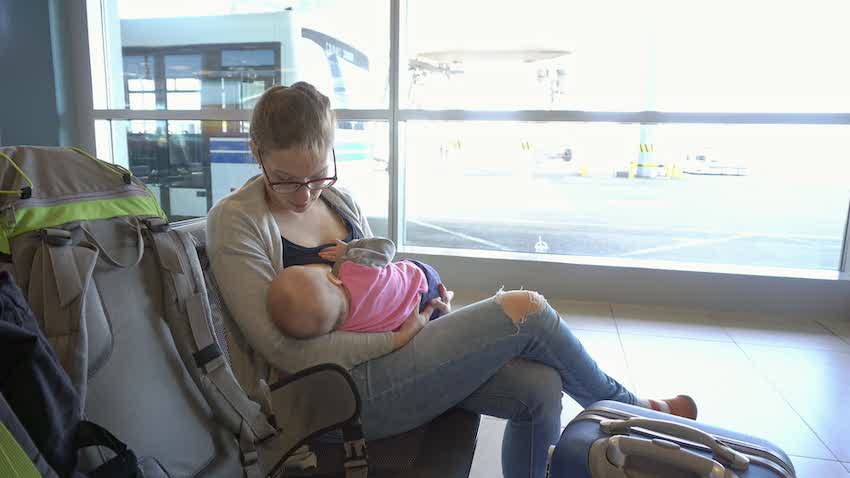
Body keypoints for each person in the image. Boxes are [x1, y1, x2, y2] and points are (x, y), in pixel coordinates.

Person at [207, 82, 698, 478]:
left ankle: (620, 415)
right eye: (286, 179)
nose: (304, 194)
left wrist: (424, 307)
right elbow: (282, 351)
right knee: (524, 310)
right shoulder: (237, 221)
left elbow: (374, 281)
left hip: (398, 352)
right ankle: (633, 411)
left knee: (540, 386)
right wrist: (400, 335)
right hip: (335, 393)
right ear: (256, 153)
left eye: (318, 175)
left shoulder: (339, 200)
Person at [267, 237, 450, 339]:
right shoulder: (350, 267)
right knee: (395, 266)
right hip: (423, 280)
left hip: (418, 319)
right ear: (333, 279)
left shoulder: (346, 330)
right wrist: (349, 250)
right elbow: (386, 246)